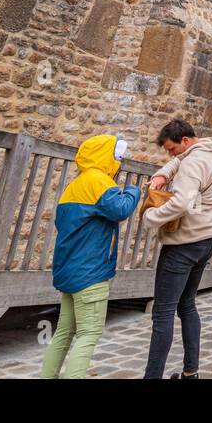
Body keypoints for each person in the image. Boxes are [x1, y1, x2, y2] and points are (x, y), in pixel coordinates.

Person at [41, 134, 141, 379]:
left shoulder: (74, 185)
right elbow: (120, 209)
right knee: (89, 334)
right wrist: (133, 191)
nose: (120, 162)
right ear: (108, 157)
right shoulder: (100, 182)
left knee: (64, 332)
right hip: (90, 272)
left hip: (69, 270)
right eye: (118, 157)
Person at [142, 119, 212, 379]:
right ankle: (191, 372)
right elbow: (180, 160)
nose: (170, 155)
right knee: (187, 305)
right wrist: (163, 172)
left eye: (171, 149)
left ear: (185, 141)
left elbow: (181, 203)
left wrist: (151, 217)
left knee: (163, 312)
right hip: (207, 238)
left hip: (184, 244)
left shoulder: (192, 163)